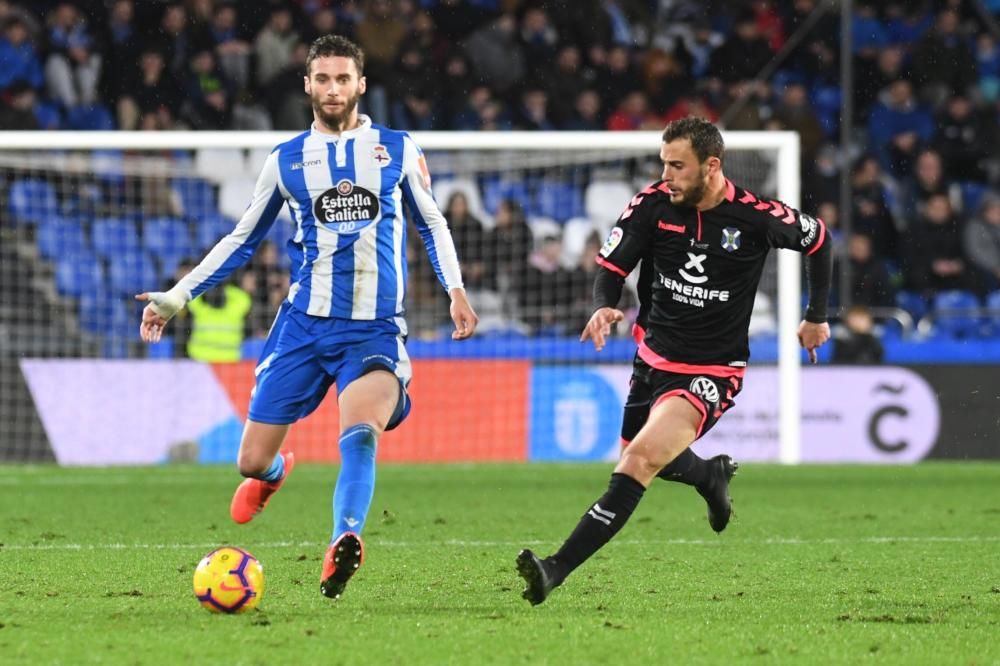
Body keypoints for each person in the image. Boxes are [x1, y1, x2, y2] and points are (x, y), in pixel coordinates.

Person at [136, 35, 478, 600]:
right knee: (250, 460)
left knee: (361, 431)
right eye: (323, 79)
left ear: (361, 84)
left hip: (372, 328)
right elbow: (242, 239)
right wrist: (178, 295)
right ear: (307, 85)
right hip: (303, 326)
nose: (333, 89)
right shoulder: (287, 160)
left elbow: (432, 223)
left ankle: (344, 540)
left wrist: (455, 290)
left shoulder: (395, 148)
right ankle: (274, 475)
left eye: (344, 79)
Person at [516, 117, 832, 605]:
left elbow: (819, 239)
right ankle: (709, 476)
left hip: (712, 371)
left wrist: (815, 316)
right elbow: (611, 267)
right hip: (652, 359)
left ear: (711, 166)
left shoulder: (756, 216)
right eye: (663, 163)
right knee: (646, 457)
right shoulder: (652, 204)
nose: (667, 175)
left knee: (638, 460)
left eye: (677, 165)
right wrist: (604, 304)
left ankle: (555, 569)